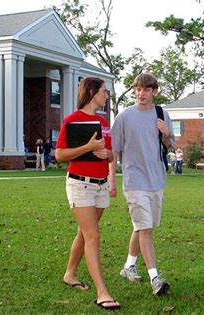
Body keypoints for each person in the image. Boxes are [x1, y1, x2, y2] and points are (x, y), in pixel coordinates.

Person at [55, 77, 120, 310]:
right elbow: (60, 155)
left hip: (101, 185)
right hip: (79, 184)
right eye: (104, 91)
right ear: (92, 92)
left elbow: (112, 154)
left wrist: (107, 156)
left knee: (84, 234)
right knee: (92, 235)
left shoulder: (103, 122)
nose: (106, 95)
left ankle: (70, 274)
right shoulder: (72, 120)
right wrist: (88, 148)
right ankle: (102, 292)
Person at [110, 72, 174, 296]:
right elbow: (113, 150)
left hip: (156, 179)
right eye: (138, 89)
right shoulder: (125, 116)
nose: (141, 93)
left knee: (142, 226)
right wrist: (112, 180)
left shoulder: (162, 114)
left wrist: (166, 134)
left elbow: (169, 145)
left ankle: (128, 266)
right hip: (134, 180)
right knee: (145, 228)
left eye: (146, 89)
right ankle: (155, 278)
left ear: (154, 91)